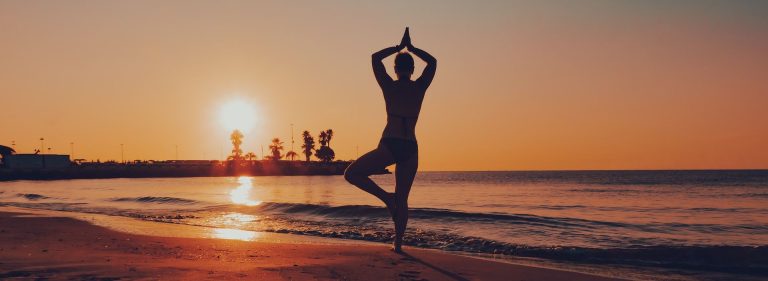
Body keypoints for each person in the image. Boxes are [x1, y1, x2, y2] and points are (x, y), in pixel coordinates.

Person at [344, 27, 437, 253]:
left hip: (390, 142)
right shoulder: (420, 87)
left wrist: (398, 47)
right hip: (411, 147)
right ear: (412, 70)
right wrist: (413, 48)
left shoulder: (389, 86)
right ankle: (398, 244)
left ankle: (386, 198)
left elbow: (375, 58)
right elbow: (433, 62)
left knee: (352, 173)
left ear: (395, 69)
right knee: (403, 199)